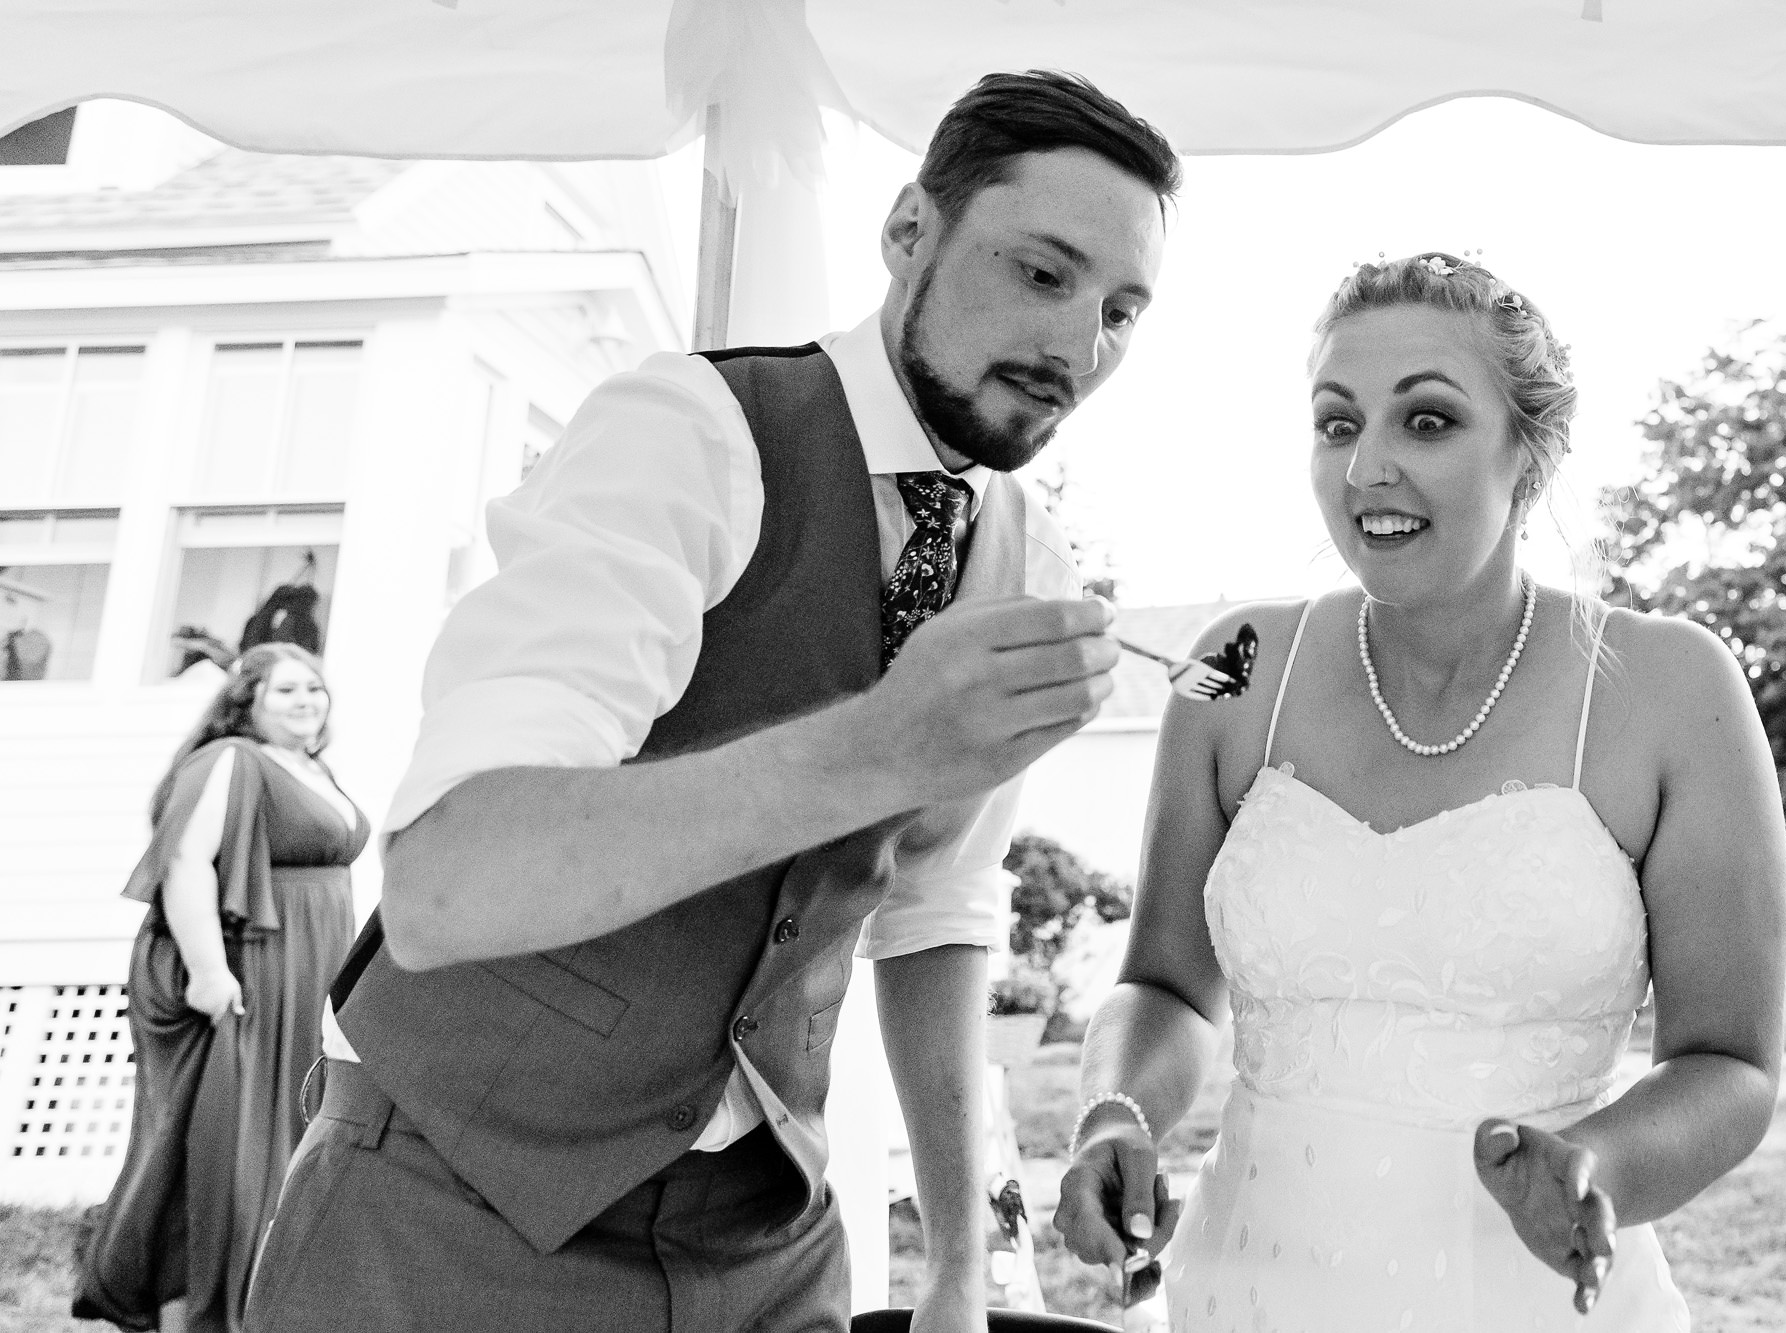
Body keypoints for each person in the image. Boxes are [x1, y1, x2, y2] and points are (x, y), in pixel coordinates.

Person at [244, 71, 1178, 1333]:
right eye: (1041, 273)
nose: (1079, 349)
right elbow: (448, 882)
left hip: (769, 1243)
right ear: (910, 230)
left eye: (1122, 310)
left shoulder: (1033, 566)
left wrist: (961, 1261)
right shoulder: (684, 432)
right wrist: (879, 743)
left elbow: (934, 905)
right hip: (449, 1212)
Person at [1054, 253, 1786, 1330]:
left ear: (1527, 454)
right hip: (1243, 1293)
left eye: (1427, 422)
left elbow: (1728, 1064)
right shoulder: (1239, 668)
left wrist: (1598, 1165)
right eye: (1336, 423)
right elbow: (1165, 983)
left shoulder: (1668, 689)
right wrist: (1112, 1115)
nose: (1366, 470)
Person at [75, 644, 366, 1333]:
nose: (306, 701)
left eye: (315, 689)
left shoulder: (314, 767)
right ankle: (195, 1313)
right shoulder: (232, 758)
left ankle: (260, 1304)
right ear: (248, 700)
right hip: (248, 970)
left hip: (309, 970)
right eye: (287, 690)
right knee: (224, 1148)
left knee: (283, 1142)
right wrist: (210, 971)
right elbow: (186, 863)